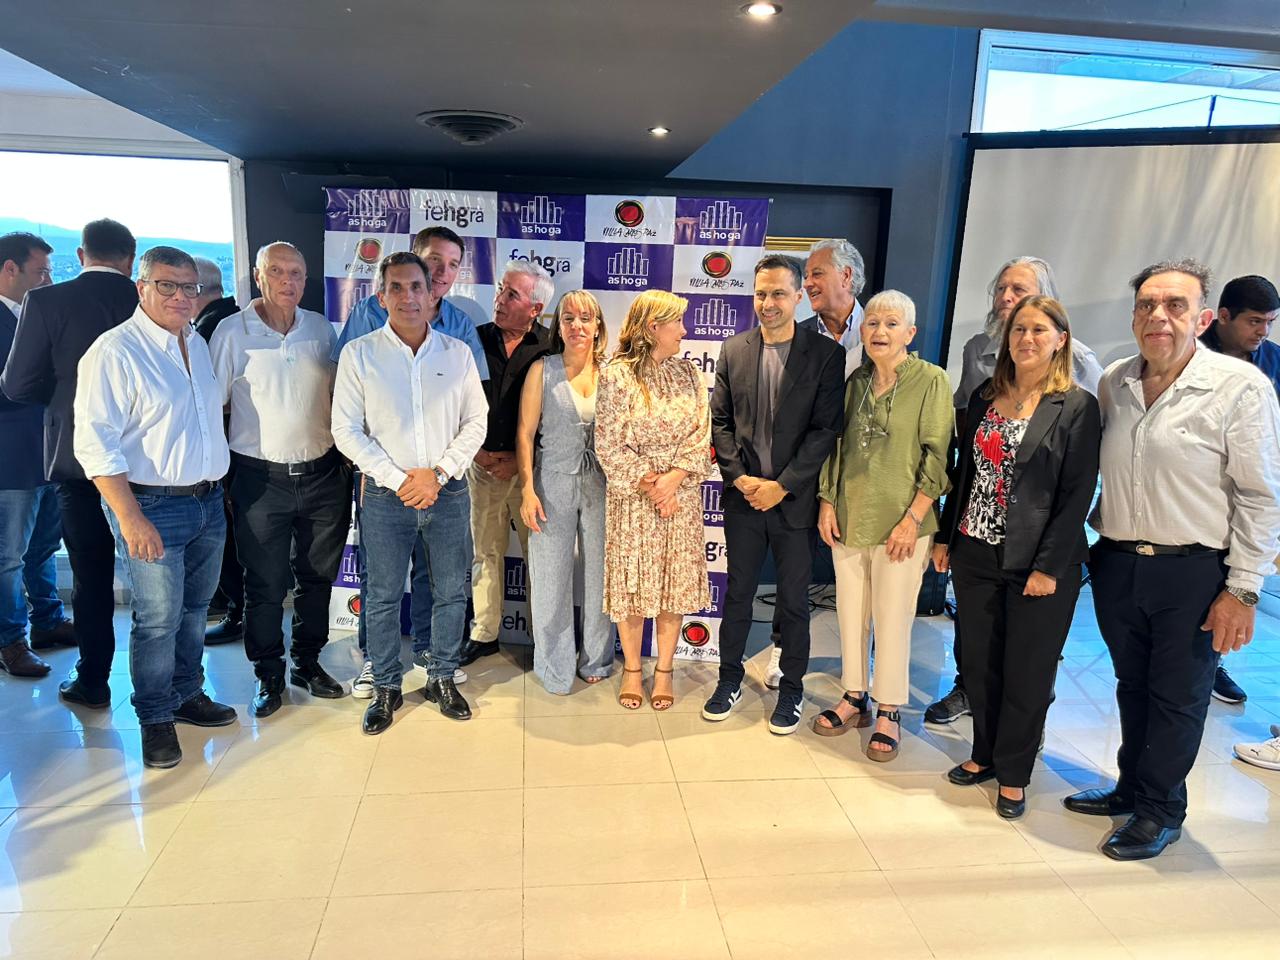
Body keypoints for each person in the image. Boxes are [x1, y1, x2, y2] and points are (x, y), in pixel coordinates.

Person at [1064, 258, 1280, 861]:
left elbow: (1261, 495)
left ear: (1203, 318)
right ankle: (1131, 788)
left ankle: (1161, 810)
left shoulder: (1240, 388)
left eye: (1175, 305)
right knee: (1132, 685)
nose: (1158, 315)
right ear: (1134, 316)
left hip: (1195, 571)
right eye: (1147, 305)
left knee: (1178, 696)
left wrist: (1242, 589)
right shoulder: (1115, 381)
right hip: (1118, 563)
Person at [934, 296, 1101, 820]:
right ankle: (984, 753)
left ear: (1061, 339)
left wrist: (1048, 567)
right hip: (974, 552)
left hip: (1039, 564)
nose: (1026, 339)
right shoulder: (986, 395)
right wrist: (945, 537)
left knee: (1026, 672)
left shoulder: (1077, 406)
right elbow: (964, 474)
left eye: (1038, 330)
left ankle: (1014, 772)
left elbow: (1077, 494)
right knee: (979, 665)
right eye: (1018, 330)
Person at [73, 246, 238, 768]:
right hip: (150, 506)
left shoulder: (197, 342)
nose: (180, 296)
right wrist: (129, 517)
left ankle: (187, 694)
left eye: (189, 287)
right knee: (157, 621)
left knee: (194, 611)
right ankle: (154, 716)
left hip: (207, 502)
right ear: (141, 287)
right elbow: (94, 445)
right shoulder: (114, 352)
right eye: (167, 285)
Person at [332, 252, 487, 733]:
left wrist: (437, 474)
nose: (408, 297)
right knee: (381, 595)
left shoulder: (456, 354)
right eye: (396, 288)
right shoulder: (359, 354)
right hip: (385, 496)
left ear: (431, 292)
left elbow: (476, 422)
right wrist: (400, 479)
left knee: (449, 591)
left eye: (416, 286)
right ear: (381, 297)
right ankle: (385, 685)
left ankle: (441, 676)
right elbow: (345, 430)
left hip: (447, 491)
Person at [0, 219, 138, 708]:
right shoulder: (150, 299)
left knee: (88, 572)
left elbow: (17, 384)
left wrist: (65, 398)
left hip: (75, 457)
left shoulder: (47, 302)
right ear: (131, 258)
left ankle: (93, 678)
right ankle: (166, 685)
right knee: (157, 580)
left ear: (81, 255)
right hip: (144, 462)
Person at [703, 255, 844, 733]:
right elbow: (720, 421)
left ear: (798, 296)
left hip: (793, 502)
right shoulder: (733, 349)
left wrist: (782, 486)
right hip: (743, 498)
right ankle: (728, 680)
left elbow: (825, 431)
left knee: (794, 602)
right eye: (761, 293)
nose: (768, 303)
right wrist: (740, 478)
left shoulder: (825, 355)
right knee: (738, 594)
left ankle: (792, 691)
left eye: (779, 294)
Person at [210, 242, 350, 718]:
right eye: (276, 271)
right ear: (258, 276)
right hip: (259, 479)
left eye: (296, 273)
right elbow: (212, 404)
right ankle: (268, 673)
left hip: (323, 474)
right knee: (265, 585)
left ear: (306, 280)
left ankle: (307, 662)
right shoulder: (231, 332)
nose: (287, 281)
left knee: (318, 579)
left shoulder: (321, 329)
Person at [811, 290, 951, 760]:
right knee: (850, 613)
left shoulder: (931, 381)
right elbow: (836, 447)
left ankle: (889, 708)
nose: (880, 332)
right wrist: (827, 500)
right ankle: (855, 696)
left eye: (891, 324)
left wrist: (913, 519)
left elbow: (938, 456)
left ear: (910, 333)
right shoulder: (855, 382)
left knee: (893, 618)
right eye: (872, 323)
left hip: (903, 523)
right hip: (850, 514)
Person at [761, 238, 868, 689]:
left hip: (861, 474)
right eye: (805, 277)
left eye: (817, 274)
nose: (808, 284)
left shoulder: (880, 328)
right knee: (794, 571)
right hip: (804, 473)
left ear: (847, 276)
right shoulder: (796, 334)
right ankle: (782, 648)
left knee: (864, 575)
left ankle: (861, 666)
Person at [597, 289, 710, 711]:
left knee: (672, 587)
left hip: (680, 499)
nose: (684, 330)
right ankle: (631, 669)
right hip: (633, 501)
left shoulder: (689, 373)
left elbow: (701, 433)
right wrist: (653, 485)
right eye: (677, 322)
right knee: (632, 587)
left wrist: (674, 480)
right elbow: (608, 443)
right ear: (653, 327)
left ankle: (664, 670)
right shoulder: (616, 375)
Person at [517, 291, 612, 694]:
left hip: (602, 485)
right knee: (550, 578)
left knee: (600, 576)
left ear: (598, 326)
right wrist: (527, 488)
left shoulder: (612, 372)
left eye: (586, 318)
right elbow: (525, 434)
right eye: (569, 319)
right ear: (559, 327)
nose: (577, 326)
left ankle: (597, 658)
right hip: (551, 483)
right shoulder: (543, 370)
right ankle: (554, 664)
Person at [461, 260, 553, 667]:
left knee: (540, 557)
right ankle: (484, 634)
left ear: (535, 308)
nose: (499, 299)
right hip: (480, 465)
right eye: (501, 289)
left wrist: (519, 460)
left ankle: (544, 639)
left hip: (531, 474)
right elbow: (456, 402)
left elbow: (557, 416)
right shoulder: (473, 340)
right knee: (485, 552)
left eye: (512, 294)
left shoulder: (551, 348)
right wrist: (476, 452)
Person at [1197, 274, 1280, 706]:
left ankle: (1216, 661)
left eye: (1269, 322)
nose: (1262, 331)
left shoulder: (1274, 360)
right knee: (1205, 589)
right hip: (1203, 495)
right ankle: (1208, 664)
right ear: (1224, 316)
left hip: (1255, 491)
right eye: (1254, 321)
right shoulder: (1190, 353)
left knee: (1240, 585)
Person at [0, 232, 71, 677]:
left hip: (50, 454)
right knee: (7, 557)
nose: (48, 279)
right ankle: (10, 641)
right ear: (10, 269)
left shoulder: (37, 315)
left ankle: (47, 621)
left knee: (43, 547)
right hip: (10, 461)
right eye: (41, 271)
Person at [191, 255, 244, 645]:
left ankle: (237, 611)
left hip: (227, 454)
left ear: (197, 291)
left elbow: (213, 401)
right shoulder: (229, 322)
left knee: (232, 543)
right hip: (236, 452)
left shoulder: (212, 330)